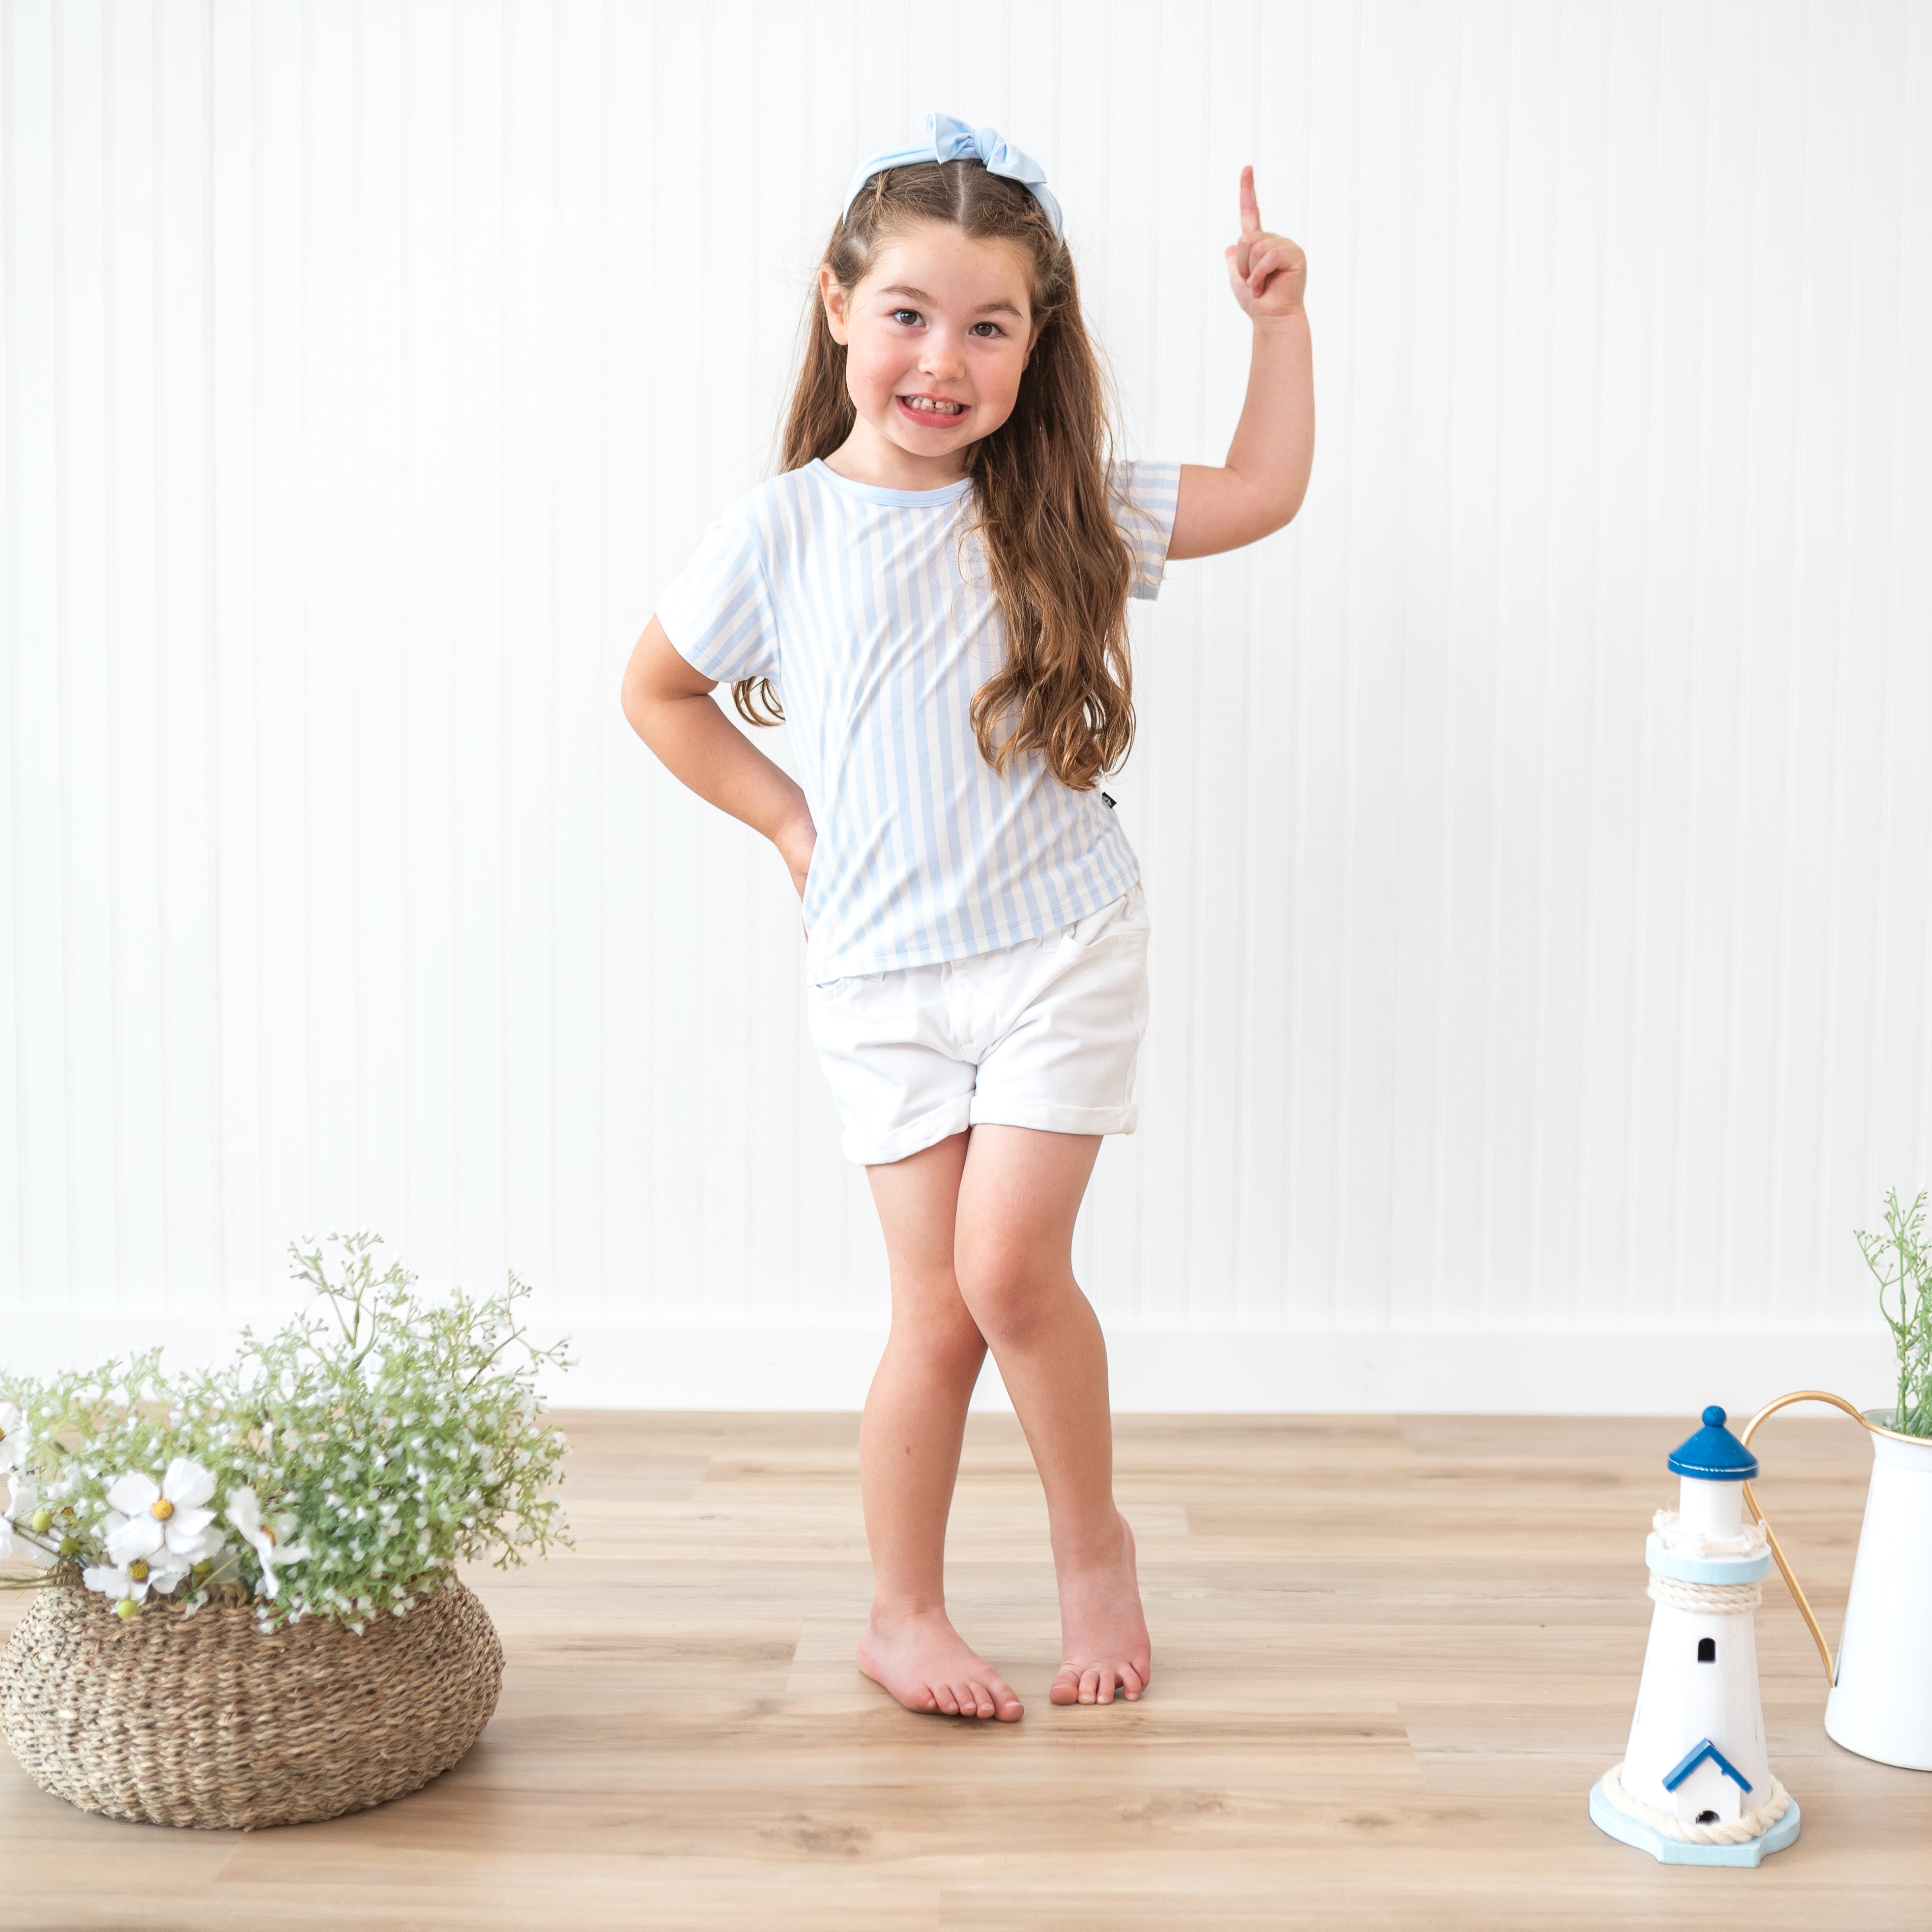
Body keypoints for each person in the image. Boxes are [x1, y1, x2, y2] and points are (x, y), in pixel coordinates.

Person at [622, 113, 1313, 1721]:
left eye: (989, 326)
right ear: (838, 309)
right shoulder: (780, 529)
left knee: (1010, 1275)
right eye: (910, 316)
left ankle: (1093, 1552)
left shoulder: (1055, 501)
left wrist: (1278, 325)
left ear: (1033, 343)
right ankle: (902, 1610)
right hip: (875, 977)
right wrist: (785, 818)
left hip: (1058, 945)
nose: (944, 358)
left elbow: (1268, 489)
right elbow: (658, 692)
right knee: (931, 1314)